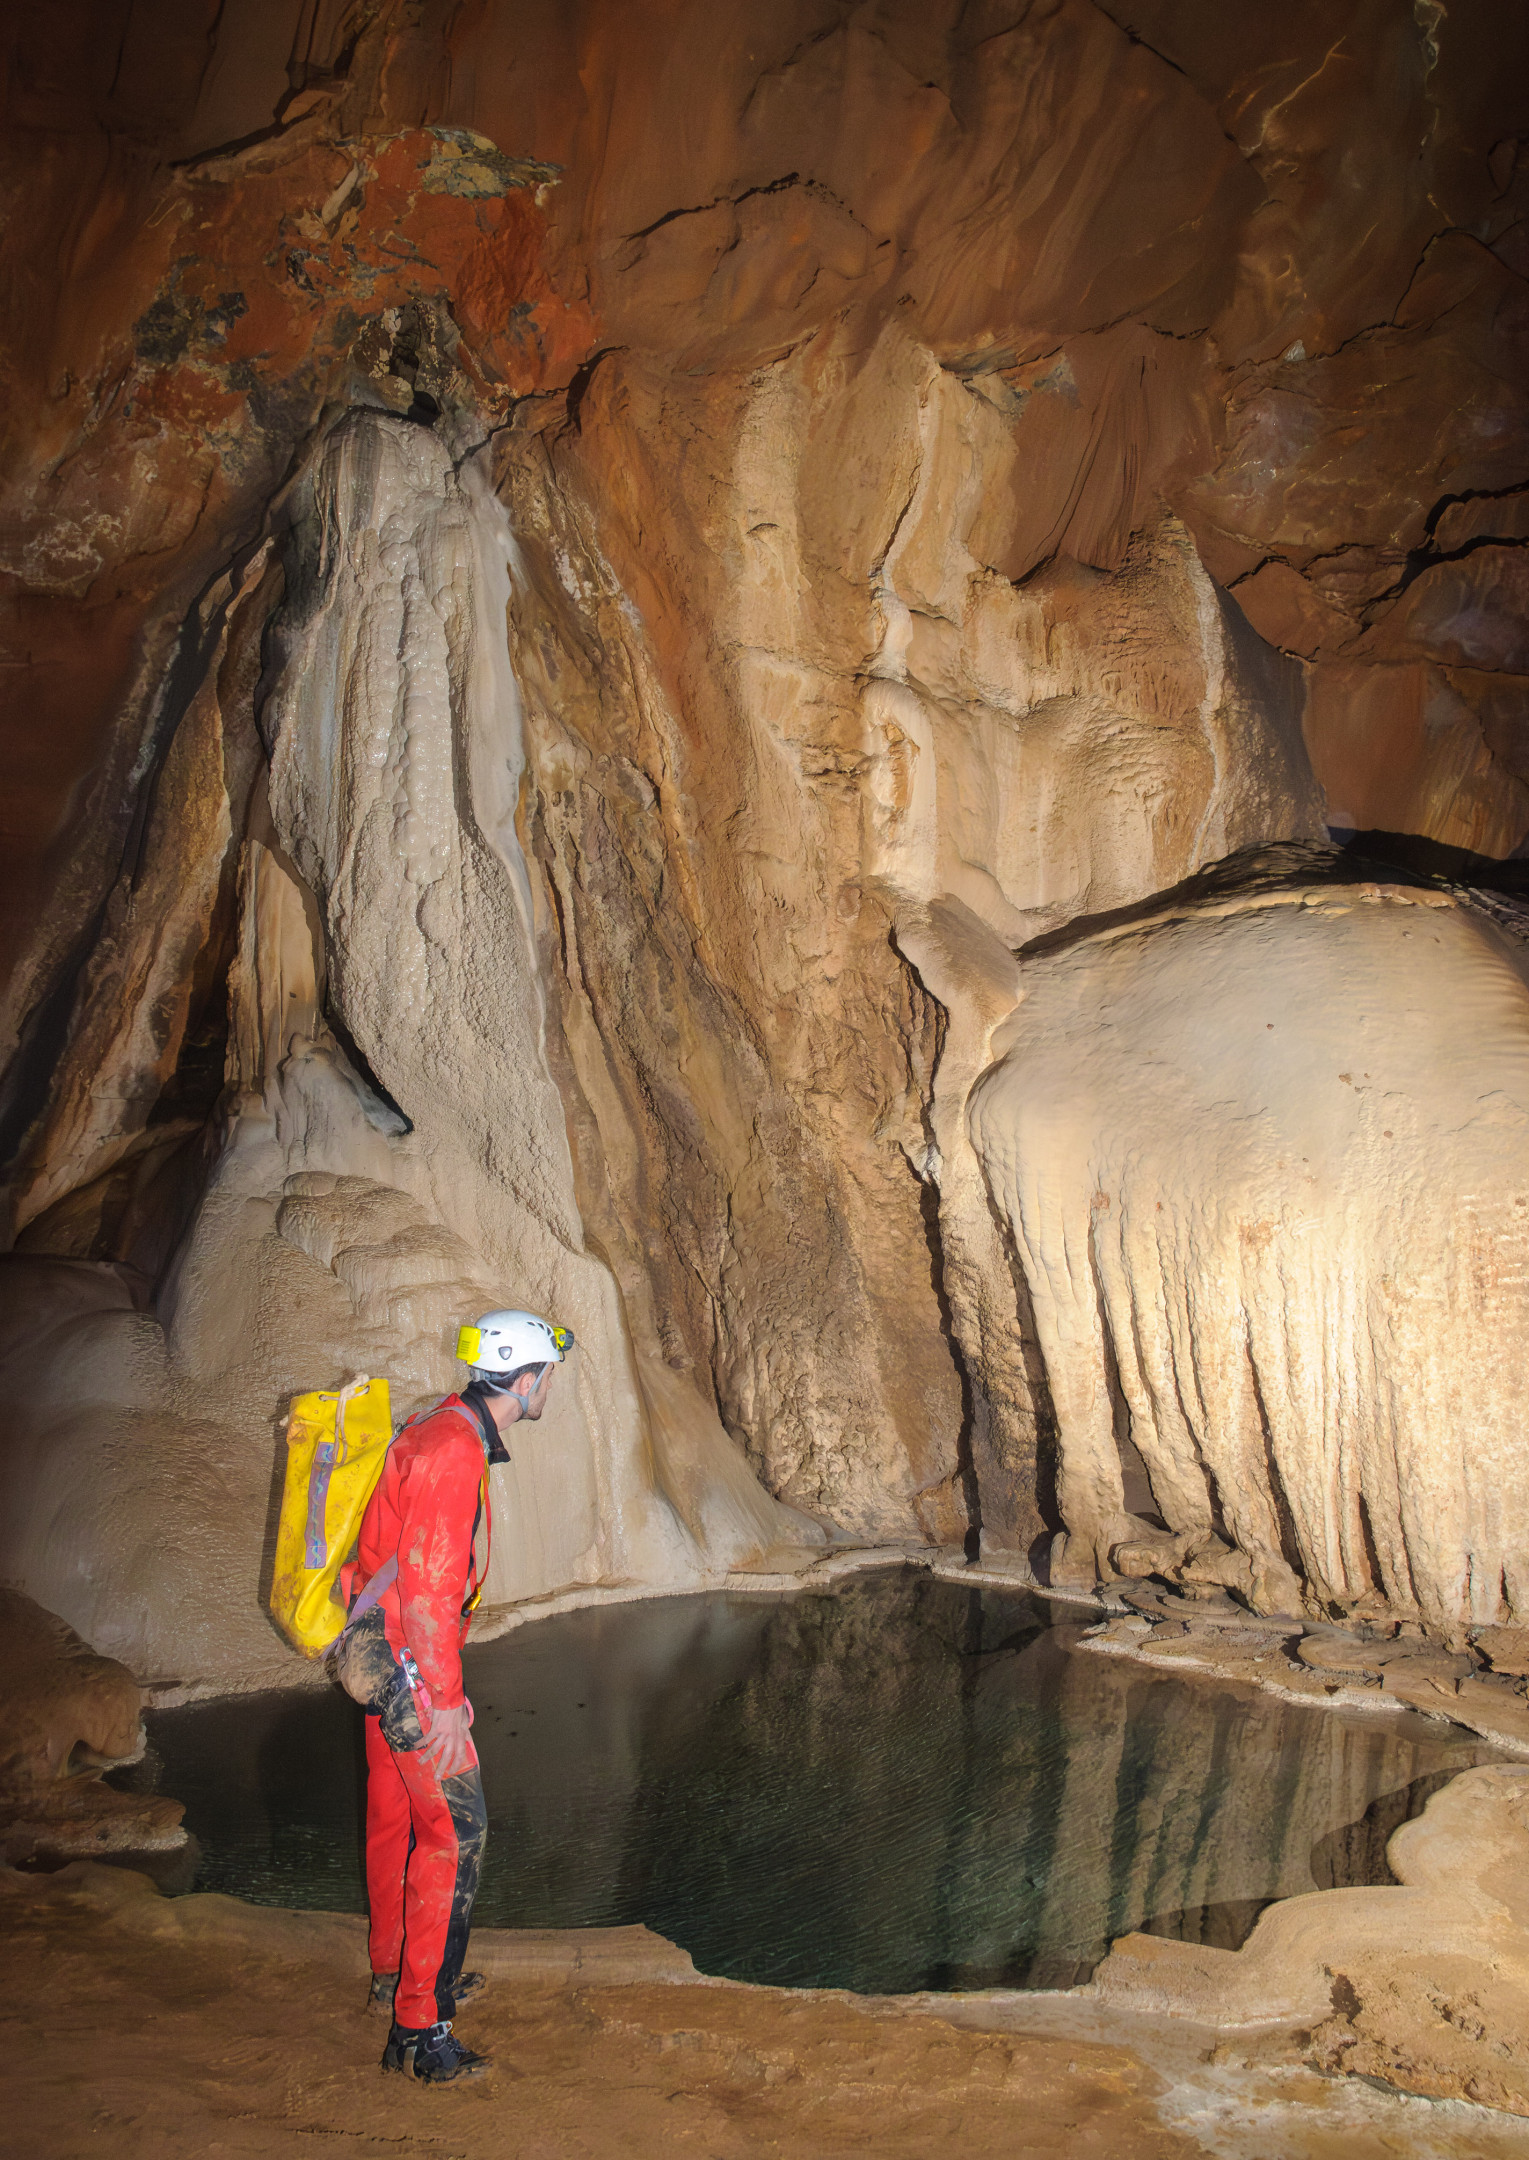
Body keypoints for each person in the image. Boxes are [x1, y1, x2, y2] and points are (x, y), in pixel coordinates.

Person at [354, 1307, 574, 2084]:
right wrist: (443, 1700)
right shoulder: (453, 1450)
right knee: (456, 1831)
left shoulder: (439, 1423)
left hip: (372, 1649)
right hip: (408, 1661)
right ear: (526, 1380)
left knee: (395, 1814)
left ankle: (393, 1971)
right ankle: (421, 2029)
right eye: (548, 1376)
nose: (549, 1388)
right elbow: (430, 1587)